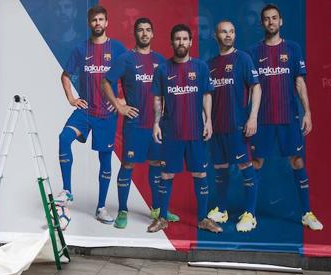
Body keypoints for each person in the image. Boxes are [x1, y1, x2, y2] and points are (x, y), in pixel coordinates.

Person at [247, 4, 323, 230]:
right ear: (262, 23)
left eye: (274, 18)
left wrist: (307, 112)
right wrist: (249, 117)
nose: (271, 22)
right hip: (262, 120)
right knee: (256, 162)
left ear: (281, 22)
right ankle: (249, 214)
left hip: (288, 118)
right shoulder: (253, 52)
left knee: (297, 161)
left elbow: (299, 82)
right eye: (267, 19)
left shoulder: (292, 49)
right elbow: (250, 88)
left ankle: (307, 213)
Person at [102, 17, 180, 229]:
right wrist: (120, 106)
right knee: (128, 165)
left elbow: (169, 90)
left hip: (157, 126)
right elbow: (106, 82)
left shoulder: (162, 61)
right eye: (140, 30)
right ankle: (123, 210)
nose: (144, 34)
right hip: (135, 125)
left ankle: (157, 209)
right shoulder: (126, 59)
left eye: (148, 30)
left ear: (153, 34)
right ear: (135, 34)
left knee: (156, 165)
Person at [54, 5, 126, 225]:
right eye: (94, 20)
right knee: (64, 138)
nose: (97, 23)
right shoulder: (80, 49)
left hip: (106, 113)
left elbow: (131, 77)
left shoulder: (118, 48)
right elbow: (65, 76)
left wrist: (122, 101)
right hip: (85, 111)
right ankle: (67, 191)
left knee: (105, 160)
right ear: (89, 23)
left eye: (101, 19)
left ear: (107, 22)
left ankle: (101, 207)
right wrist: (71, 99)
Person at [147, 24, 222, 234]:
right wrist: (155, 123)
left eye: (185, 39)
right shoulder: (162, 69)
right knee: (167, 175)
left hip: (196, 132)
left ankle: (202, 219)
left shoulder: (201, 68)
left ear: (191, 42)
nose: (181, 42)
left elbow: (207, 94)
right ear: (172, 42)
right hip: (172, 132)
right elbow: (158, 99)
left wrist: (208, 121)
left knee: (200, 174)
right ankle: (162, 218)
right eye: (177, 39)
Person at [206, 21, 262, 232]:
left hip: (237, 126)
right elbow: (206, 97)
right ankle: (221, 209)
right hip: (217, 128)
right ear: (216, 35)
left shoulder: (243, 58)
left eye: (231, 31)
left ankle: (250, 214)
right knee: (219, 169)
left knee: (246, 168)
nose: (228, 35)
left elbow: (256, 87)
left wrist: (253, 117)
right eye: (224, 32)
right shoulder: (210, 64)